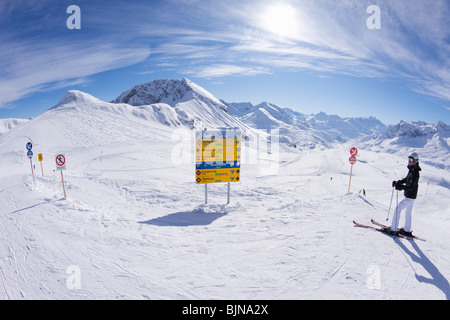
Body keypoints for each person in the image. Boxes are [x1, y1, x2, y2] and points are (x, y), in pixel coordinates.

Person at [382, 152, 421, 237]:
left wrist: (401, 187)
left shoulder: (415, 173)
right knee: (408, 212)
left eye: (411, 160)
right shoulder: (412, 170)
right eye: (409, 159)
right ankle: (407, 230)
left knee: (398, 209)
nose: (409, 161)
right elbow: (406, 179)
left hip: (410, 196)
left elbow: (411, 186)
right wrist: (399, 182)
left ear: (416, 161)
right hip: (411, 196)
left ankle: (393, 229)